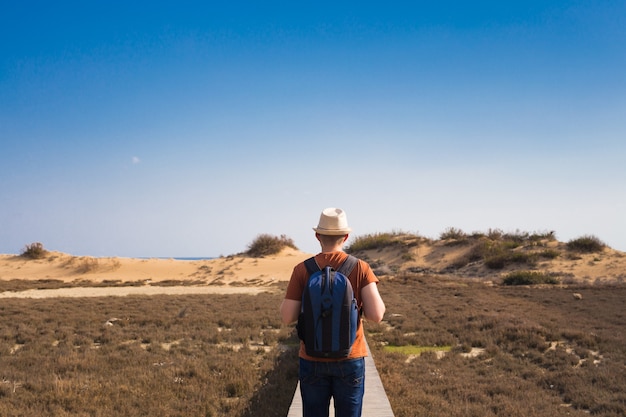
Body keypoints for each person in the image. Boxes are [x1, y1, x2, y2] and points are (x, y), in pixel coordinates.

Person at [281, 207, 386, 417]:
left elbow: (287, 317)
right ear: (346, 236)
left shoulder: (302, 269)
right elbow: (377, 315)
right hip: (350, 358)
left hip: (311, 358)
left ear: (317, 236)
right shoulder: (360, 268)